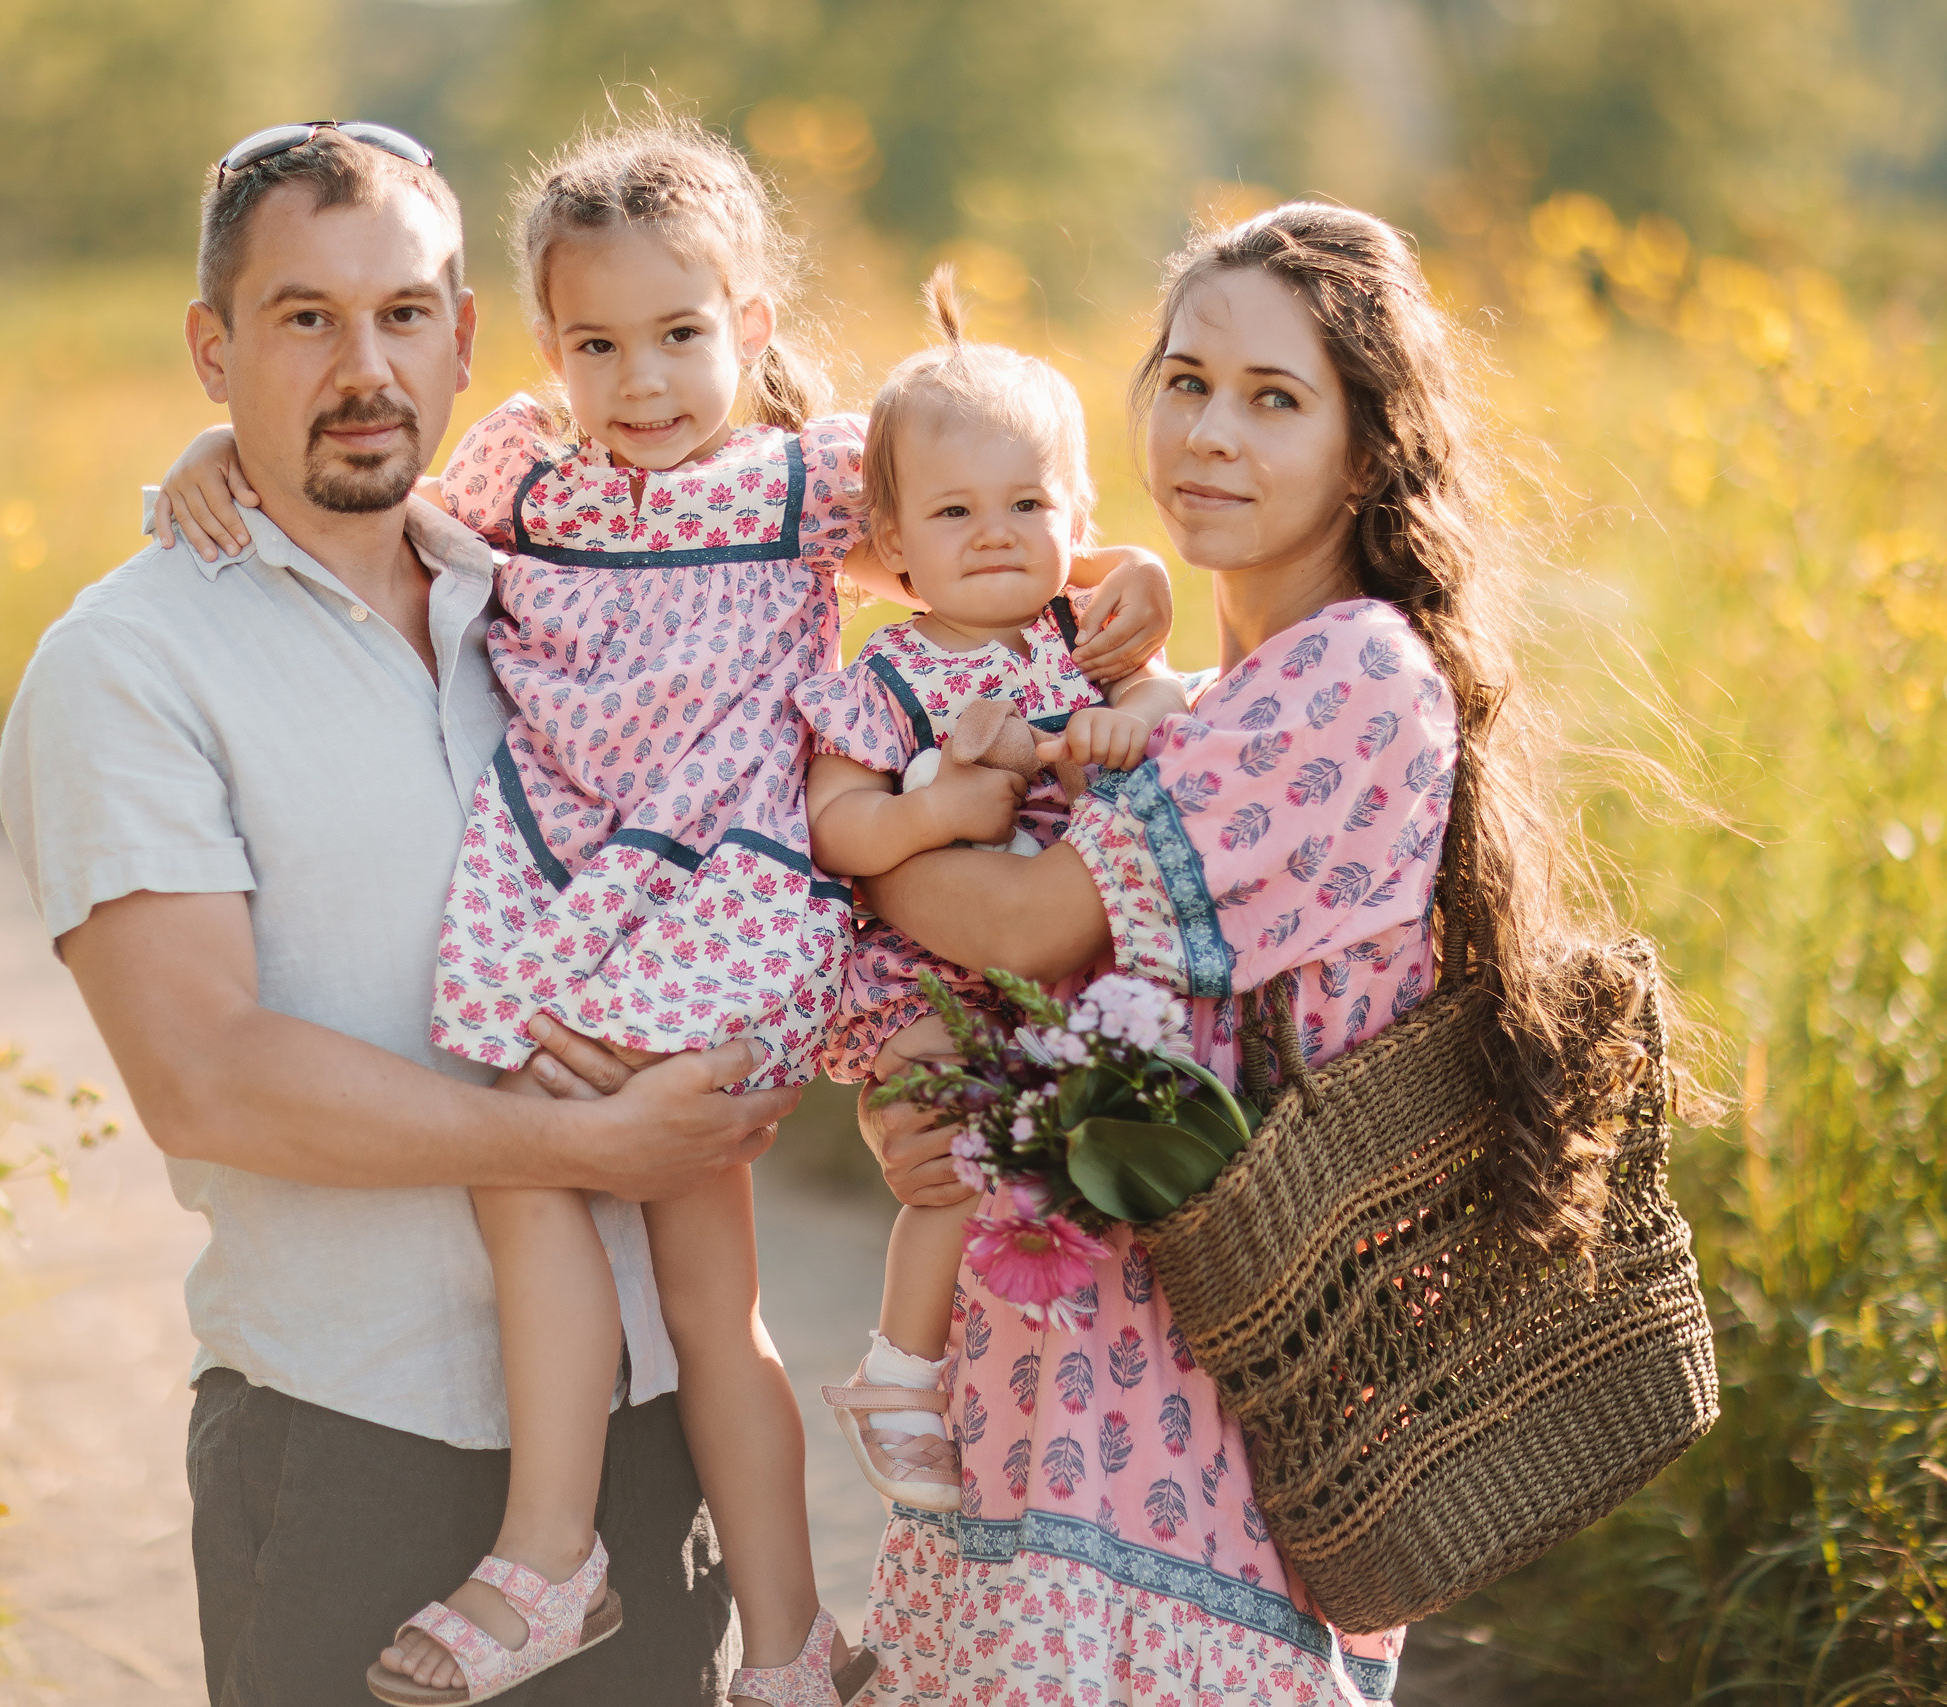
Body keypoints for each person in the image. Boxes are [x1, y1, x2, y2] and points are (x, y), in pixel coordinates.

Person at [148, 114, 1176, 1707]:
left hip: (740, 900)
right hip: (581, 897)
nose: (642, 383)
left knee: (515, 1148)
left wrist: (1132, 583)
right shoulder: (526, 471)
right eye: (600, 344)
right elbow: (372, 488)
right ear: (547, 350)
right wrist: (223, 449)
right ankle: (784, 1647)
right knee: (713, 1304)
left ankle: (551, 1550)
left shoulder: (817, 476)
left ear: (750, 330)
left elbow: (999, 494)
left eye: (683, 336)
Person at [0, 121, 801, 1707]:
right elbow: (206, 1071)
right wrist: (582, 1146)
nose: (364, 366)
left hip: (651, 1440)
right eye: (304, 318)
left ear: (469, 339)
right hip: (354, 1442)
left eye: (404, 312)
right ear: (210, 350)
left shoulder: (552, 582)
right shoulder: (130, 666)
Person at [843, 203, 1638, 1705]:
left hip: (1186, 1455)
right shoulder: (1207, 695)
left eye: (1274, 399)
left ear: (1367, 449)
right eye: (1187, 379)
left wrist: (859, 845)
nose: (1209, 431)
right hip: (1056, 1414)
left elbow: (1021, 923)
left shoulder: (1354, 677)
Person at [790, 267, 1192, 1516]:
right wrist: (932, 813)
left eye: (1027, 502)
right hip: (920, 977)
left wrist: (1144, 713)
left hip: (1064, 971)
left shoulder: (1082, 639)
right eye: (955, 511)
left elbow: (1170, 705)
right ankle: (898, 1371)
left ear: (1076, 515)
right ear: (893, 542)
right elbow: (835, 823)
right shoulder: (890, 671)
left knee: (1054, 1172)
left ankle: (1021, 1379)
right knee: (953, 1159)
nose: (995, 533)